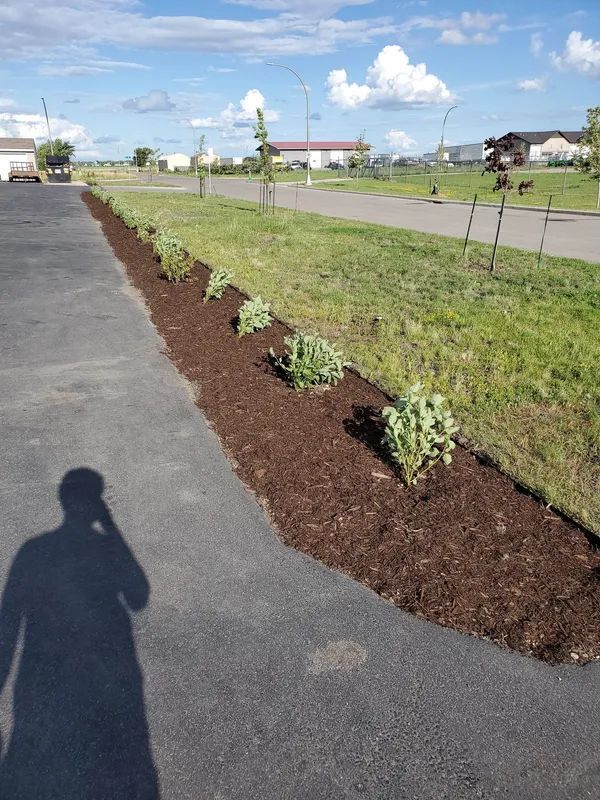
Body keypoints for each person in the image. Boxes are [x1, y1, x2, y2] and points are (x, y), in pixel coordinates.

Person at [0, 468, 159, 799]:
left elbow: (10, 620)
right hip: (111, 669)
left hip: (37, 681)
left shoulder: (33, 550)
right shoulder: (97, 544)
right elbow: (138, 596)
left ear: (62, 500)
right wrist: (111, 525)